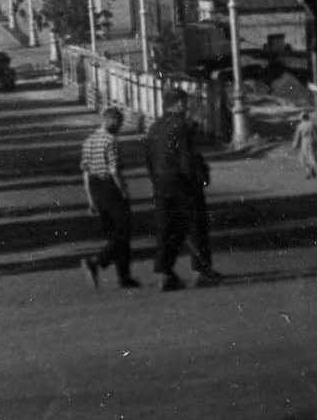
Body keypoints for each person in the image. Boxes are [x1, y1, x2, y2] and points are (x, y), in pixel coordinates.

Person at [144, 87, 222, 291]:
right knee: (196, 226)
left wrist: (156, 181)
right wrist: (199, 180)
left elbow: (149, 160)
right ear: (179, 104)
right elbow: (187, 159)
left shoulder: (154, 127)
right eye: (186, 102)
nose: (188, 106)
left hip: (161, 184)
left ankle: (163, 273)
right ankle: (201, 271)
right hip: (183, 183)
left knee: (167, 229)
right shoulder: (182, 126)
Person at [79, 106, 140, 290]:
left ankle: (124, 277)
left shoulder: (89, 141)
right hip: (110, 188)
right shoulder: (110, 140)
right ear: (112, 121)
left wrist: (90, 200)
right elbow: (114, 170)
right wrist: (124, 190)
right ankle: (96, 262)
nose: (120, 127)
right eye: (119, 123)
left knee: (115, 233)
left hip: (95, 188)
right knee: (124, 232)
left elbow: (85, 173)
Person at [291, 111, 317, 179]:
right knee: (311, 156)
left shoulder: (300, 126)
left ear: (302, 118)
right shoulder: (312, 124)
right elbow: (316, 134)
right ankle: (312, 171)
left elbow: (297, 136)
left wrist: (295, 144)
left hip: (304, 142)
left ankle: (309, 172)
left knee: (304, 158)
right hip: (312, 141)